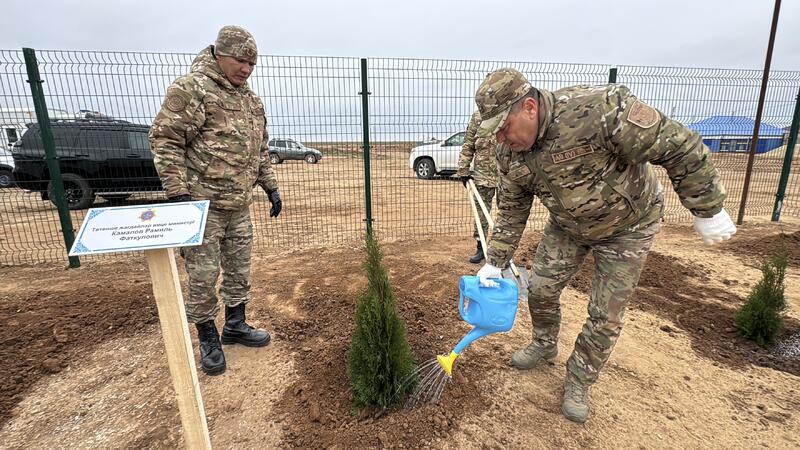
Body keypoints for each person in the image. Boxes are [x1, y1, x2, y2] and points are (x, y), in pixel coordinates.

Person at [473, 68, 736, 423]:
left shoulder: (598, 111)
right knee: (540, 289)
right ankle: (544, 343)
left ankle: (579, 379)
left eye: (504, 127)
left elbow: (678, 144)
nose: (502, 139)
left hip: (628, 226)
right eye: (495, 133)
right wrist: (496, 260)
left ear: (530, 107)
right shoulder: (509, 154)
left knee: (605, 314)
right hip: (568, 227)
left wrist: (707, 208)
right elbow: (512, 207)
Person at [149, 25, 282, 376]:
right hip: (201, 205)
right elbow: (165, 140)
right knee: (203, 275)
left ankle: (235, 325)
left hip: (238, 205)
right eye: (240, 61)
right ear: (219, 54)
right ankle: (208, 336)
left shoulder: (251, 101)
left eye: (252, 63)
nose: (246, 69)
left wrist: (270, 186)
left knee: (239, 270)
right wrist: (177, 193)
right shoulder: (192, 89)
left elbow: (260, 150)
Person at [456, 110, 499, 264]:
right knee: (481, 214)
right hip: (483, 176)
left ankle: (501, 252)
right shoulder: (478, 117)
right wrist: (463, 170)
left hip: (507, 176)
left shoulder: (511, 111)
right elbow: (468, 144)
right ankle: (481, 248)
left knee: (507, 216)